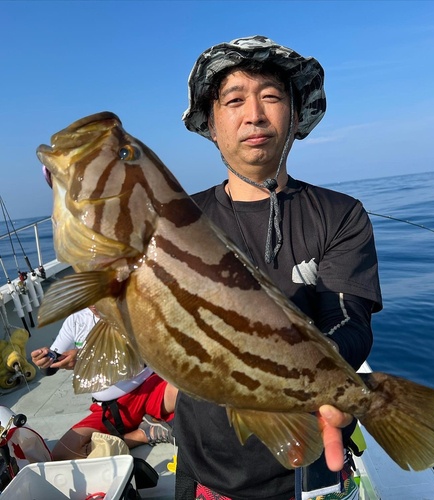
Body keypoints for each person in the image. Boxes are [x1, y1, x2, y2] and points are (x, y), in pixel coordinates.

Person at [175, 36, 383, 500]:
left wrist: (312, 376)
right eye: (234, 100)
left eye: (271, 96)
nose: (254, 114)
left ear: (295, 113)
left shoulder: (341, 215)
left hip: (312, 467)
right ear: (211, 122)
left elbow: (350, 319)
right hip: (210, 469)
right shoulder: (179, 222)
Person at [31, 306, 178, 461]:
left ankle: (152, 426)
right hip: (110, 409)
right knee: (63, 454)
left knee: (198, 392)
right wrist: (46, 360)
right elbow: (51, 365)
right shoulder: (75, 321)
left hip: (151, 390)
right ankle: (144, 434)